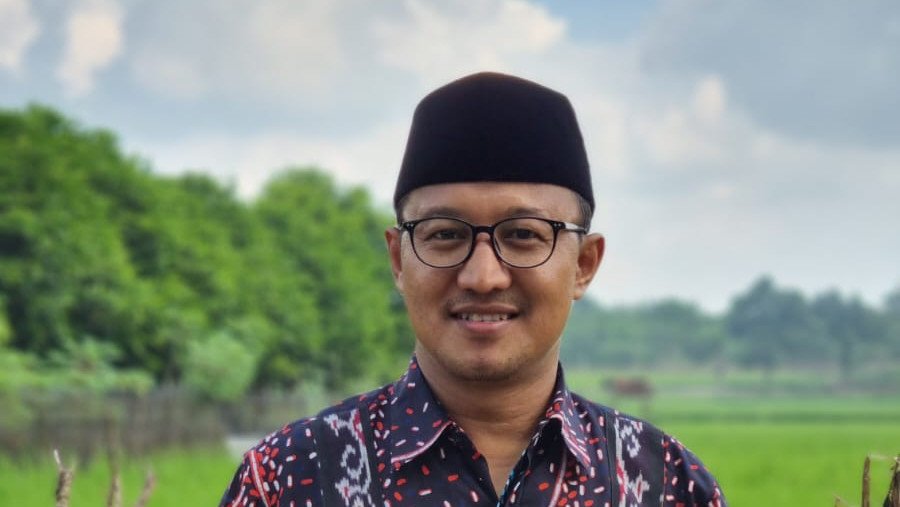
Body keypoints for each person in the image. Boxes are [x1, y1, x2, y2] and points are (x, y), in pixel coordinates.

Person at [219, 72, 727, 507]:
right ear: (398, 259)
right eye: (445, 235)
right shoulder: (289, 478)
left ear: (584, 264)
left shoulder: (664, 484)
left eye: (524, 234)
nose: (483, 277)